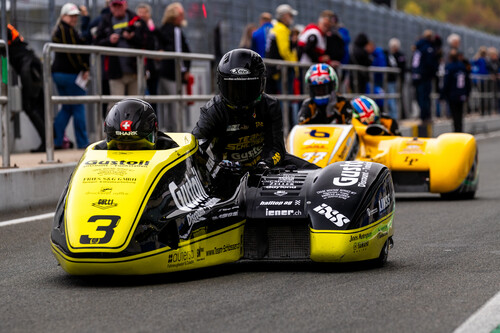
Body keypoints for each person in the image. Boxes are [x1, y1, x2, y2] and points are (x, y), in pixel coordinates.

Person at [192, 48, 317, 181]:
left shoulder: (270, 105)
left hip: (263, 167)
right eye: (234, 89)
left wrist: (264, 164)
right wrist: (216, 167)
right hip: (227, 173)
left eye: (247, 88)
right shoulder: (213, 110)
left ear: (260, 85)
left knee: (318, 173)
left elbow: (277, 148)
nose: (240, 97)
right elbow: (194, 148)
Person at [51, 3, 91, 149]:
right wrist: (84, 68)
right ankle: (82, 142)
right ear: (63, 16)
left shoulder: (60, 29)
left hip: (59, 74)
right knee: (78, 106)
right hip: (69, 75)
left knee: (67, 108)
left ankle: (56, 141)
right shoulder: (66, 30)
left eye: (75, 16)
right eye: (71, 16)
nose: (74, 19)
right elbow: (74, 53)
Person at [94, 0, 149, 96]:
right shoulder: (105, 21)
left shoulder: (136, 20)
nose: (117, 8)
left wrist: (132, 37)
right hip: (115, 71)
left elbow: (147, 41)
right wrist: (109, 40)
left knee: (135, 104)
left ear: (125, 5)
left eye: (119, 5)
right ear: (110, 7)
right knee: (116, 104)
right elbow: (96, 42)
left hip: (135, 71)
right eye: (114, 6)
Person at [5, 24, 46, 152]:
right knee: (39, 106)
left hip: (28, 68)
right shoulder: (6, 27)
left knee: (30, 106)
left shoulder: (3, 28)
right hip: (32, 64)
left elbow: (3, 54)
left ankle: (48, 142)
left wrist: (4, 79)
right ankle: (50, 140)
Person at [157, 2, 191, 131]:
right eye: (181, 14)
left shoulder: (177, 31)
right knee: (174, 106)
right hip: (170, 73)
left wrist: (186, 68)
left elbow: (185, 50)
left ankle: (175, 131)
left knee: (175, 106)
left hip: (176, 74)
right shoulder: (169, 31)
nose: (183, 16)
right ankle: (175, 133)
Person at [100, 98, 176, 150]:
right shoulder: (99, 150)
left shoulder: (169, 148)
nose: (127, 151)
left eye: (134, 146)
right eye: (121, 145)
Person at [265, 4, 298, 94]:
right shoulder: (282, 29)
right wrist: (295, 65)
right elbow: (284, 51)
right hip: (282, 70)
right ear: (285, 16)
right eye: (290, 15)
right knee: (285, 95)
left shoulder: (276, 28)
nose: (292, 18)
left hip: (275, 69)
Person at [411, 30, 440, 126]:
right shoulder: (427, 48)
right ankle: (425, 117)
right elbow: (430, 63)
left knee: (420, 96)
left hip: (416, 75)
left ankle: (423, 116)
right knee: (425, 97)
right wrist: (434, 72)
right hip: (424, 75)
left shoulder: (418, 47)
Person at [441, 49, 471, 132]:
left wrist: (443, 94)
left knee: (454, 113)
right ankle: (460, 129)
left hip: (453, 93)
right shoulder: (462, 66)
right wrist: (468, 92)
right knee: (460, 113)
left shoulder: (449, 67)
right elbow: (467, 81)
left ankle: (456, 130)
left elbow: (446, 82)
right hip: (461, 93)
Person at [385, 38, 406, 120]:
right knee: (393, 98)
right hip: (393, 80)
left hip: (396, 80)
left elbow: (402, 67)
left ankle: (395, 116)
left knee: (395, 98)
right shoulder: (391, 56)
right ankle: (395, 115)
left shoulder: (398, 56)